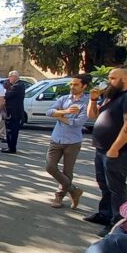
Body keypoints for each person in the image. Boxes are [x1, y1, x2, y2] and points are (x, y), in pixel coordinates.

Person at [84, 67, 127, 235]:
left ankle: (118, 222)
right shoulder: (112, 96)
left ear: (124, 79)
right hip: (102, 148)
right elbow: (92, 116)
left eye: (112, 78)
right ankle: (105, 214)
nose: (109, 81)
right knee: (104, 184)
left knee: (116, 187)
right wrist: (93, 100)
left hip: (118, 151)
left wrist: (115, 148)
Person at [45, 73, 91, 208]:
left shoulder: (86, 103)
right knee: (50, 166)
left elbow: (78, 122)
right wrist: (64, 112)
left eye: (76, 84)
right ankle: (74, 190)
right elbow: (49, 112)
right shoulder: (64, 98)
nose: (72, 87)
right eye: (71, 84)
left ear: (84, 86)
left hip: (73, 142)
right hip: (56, 139)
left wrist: (59, 116)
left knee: (67, 171)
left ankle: (59, 196)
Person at [2, 71, 26, 153]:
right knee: (11, 130)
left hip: (13, 113)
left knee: (11, 131)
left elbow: (7, 95)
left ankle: (11, 148)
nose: (9, 79)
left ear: (15, 77)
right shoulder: (19, 85)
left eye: (10, 76)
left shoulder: (17, 86)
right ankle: (11, 147)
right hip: (15, 112)